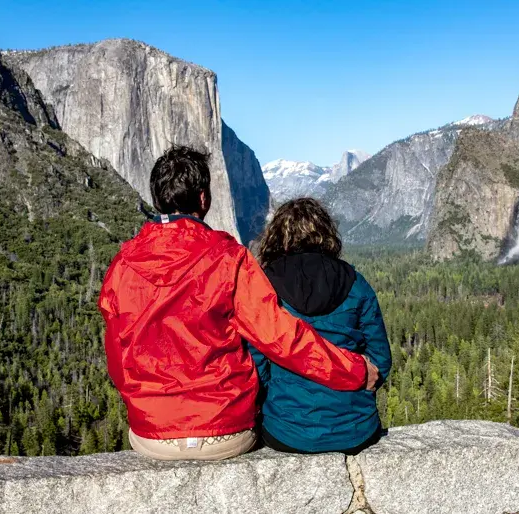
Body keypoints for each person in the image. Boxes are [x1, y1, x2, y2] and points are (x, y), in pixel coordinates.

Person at [98, 146, 379, 461]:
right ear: (203, 199)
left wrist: (152, 408)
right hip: (225, 432)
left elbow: (117, 357)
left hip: (152, 436)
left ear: (157, 198)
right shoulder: (229, 260)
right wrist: (353, 370)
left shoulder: (122, 265)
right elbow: (281, 338)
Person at [251, 198, 392, 455]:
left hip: (286, 431)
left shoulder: (264, 288)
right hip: (356, 430)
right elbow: (381, 360)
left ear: (276, 237)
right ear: (326, 234)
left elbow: (256, 368)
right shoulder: (355, 282)